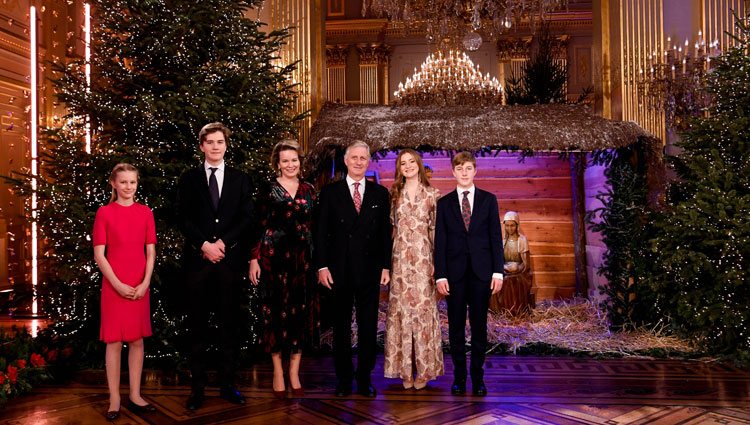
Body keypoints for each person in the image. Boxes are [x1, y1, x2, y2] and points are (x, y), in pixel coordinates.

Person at [177, 122, 254, 410]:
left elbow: (247, 218)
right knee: (196, 328)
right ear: (201, 146)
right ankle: (197, 389)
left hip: (228, 263)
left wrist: (224, 243)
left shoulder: (240, 179)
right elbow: (182, 217)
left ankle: (227, 385)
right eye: (210, 142)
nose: (215, 146)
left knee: (228, 327)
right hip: (198, 264)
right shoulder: (189, 179)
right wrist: (204, 245)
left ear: (226, 145)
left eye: (220, 142)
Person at [315, 140, 392, 398]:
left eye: (363, 158)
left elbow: (385, 235)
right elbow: (320, 233)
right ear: (346, 161)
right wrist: (322, 266)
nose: (359, 162)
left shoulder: (380, 194)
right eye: (354, 157)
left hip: (370, 271)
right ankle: (344, 379)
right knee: (341, 328)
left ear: (368, 162)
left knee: (369, 327)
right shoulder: (329, 192)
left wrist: (385, 266)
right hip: (338, 271)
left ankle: (364, 379)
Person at [249, 139, 317, 399]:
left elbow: (315, 226)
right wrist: (253, 259)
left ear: (300, 162)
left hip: (303, 263)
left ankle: (294, 373)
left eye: (294, 160)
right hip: (272, 262)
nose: (291, 164)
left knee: (299, 317)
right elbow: (257, 226)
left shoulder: (310, 189)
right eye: (285, 160)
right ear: (277, 164)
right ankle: (278, 371)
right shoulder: (267, 190)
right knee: (274, 315)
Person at [434, 151, 504, 397]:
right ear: (453, 172)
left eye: (468, 168)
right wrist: (440, 276)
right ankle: (459, 377)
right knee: (455, 328)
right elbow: (439, 242)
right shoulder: (443, 204)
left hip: (481, 273)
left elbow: (496, 237)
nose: (464, 173)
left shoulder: (488, 200)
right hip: (453, 276)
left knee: (479, 327)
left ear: (475, 171)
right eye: (459, 169)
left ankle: (478, 377)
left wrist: (498, 271)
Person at [93, 163, 157, 420]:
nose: (129, 187)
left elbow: (150, 252)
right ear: (113, 184)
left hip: (140, 283)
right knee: (114, 341)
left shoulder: (145, 213)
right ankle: (114, 398)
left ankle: (135, 394)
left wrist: (145, 282)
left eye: (133, 182)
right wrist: (117, 284)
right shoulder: (104, 213)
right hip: (114, 284)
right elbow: (99, 254)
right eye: (124, 182)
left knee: (137, 340)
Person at [384, 149, 444, 390]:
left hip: (422, 261)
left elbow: (437, 233)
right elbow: (391, 230)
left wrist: (436, 263)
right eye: (402, 163)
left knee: (422, 313)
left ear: (418, 165)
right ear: (399, 168)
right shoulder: (394, 194)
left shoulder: (432, 194)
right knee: (401, 311)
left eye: (411, 162)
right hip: (399, 261)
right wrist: (387, 265)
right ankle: (404, 371)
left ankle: (425, 370)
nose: (407, 166)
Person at [489, 211, 533, 316]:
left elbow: (526, 264)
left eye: (512, 226)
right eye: (507, 226)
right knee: (497, 279)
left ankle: (514, 311)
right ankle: (500, 311)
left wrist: (517, 268)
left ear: (517, 225)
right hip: (505, 270)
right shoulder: (503, 241)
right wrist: (503, 267)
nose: (510, 228)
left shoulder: (522, 240)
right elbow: (498, 260)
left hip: (520, 274)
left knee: (510, 281)